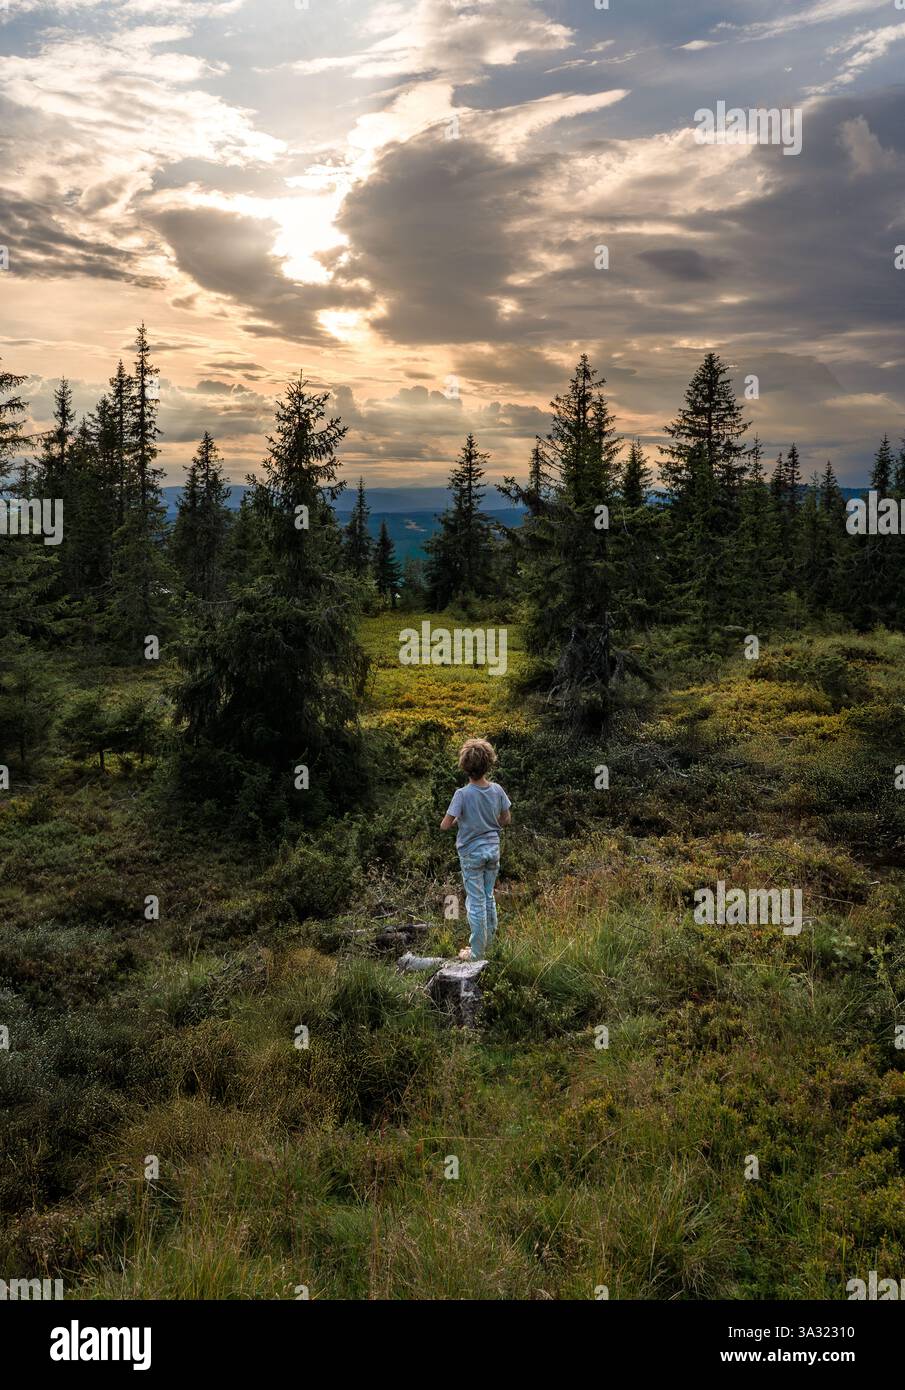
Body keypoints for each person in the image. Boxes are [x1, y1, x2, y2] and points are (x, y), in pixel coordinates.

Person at [440, 737, 512, 960]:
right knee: (489, 897)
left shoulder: (461, 794)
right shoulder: (497, 790)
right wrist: (488, 826)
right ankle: (488, 945)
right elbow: (506, 819)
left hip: (471, 854)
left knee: (476, 901)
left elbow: (444, 825)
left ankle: (477, 954)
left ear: (464, 766)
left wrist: (460, 821)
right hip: (493, 850)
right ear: (488, 763)